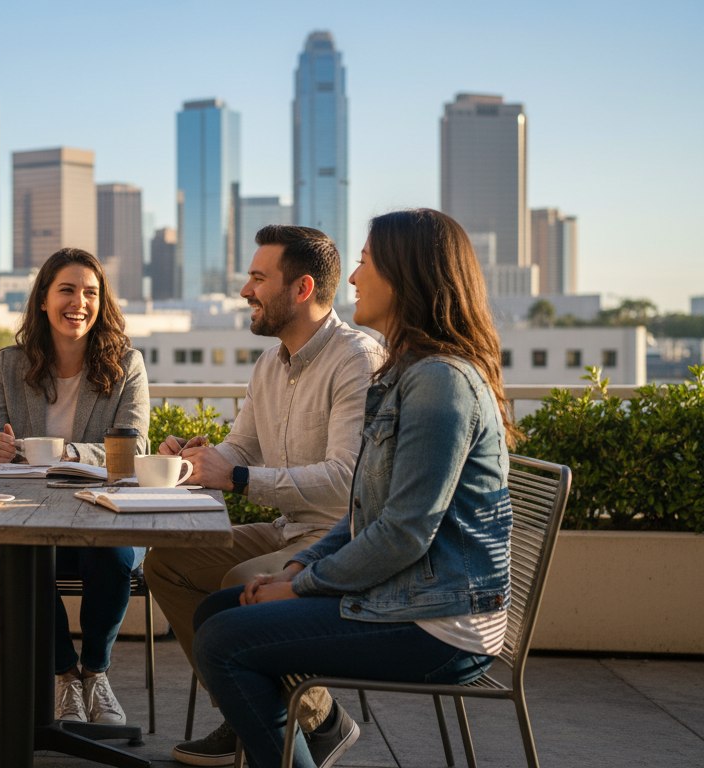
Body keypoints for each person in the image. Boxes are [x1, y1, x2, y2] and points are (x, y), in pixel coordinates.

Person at [191, 208, 516, 768]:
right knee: (216, 613)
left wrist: (303, 585)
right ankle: (299, 744)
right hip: (406, 597)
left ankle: (301, 742)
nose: (356, 278)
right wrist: (298, 571)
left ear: (406, 275)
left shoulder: (440, 382)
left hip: (437, 625)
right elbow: (366, 510)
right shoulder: (405, 373)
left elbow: (403, 533)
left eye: (366, 263)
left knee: (223, 642)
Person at [143, 225, 383, 767]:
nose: (245, 292)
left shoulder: (356, 360)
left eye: (257, 278)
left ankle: (300, 722)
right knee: (166, 565)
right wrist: (195, 459)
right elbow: (240, 449)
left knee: (239, 583)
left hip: (337, 542)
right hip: (285, 530)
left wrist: (239, 479)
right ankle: (266, 712)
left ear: (300, 289)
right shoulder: (270, 363)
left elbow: (348, 478)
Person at [0, 247, 150, 725]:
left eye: (90, 292)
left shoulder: (127, 363)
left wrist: (71, 453)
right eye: (67, 290)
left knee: (112, 556)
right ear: (45, 301)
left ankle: (96, 671)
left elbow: (135, 449)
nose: (79, 302)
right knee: (18, 554)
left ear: (101, 302)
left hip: (103, 516)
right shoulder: (11, 365)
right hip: (33, 517)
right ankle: (65, 676)